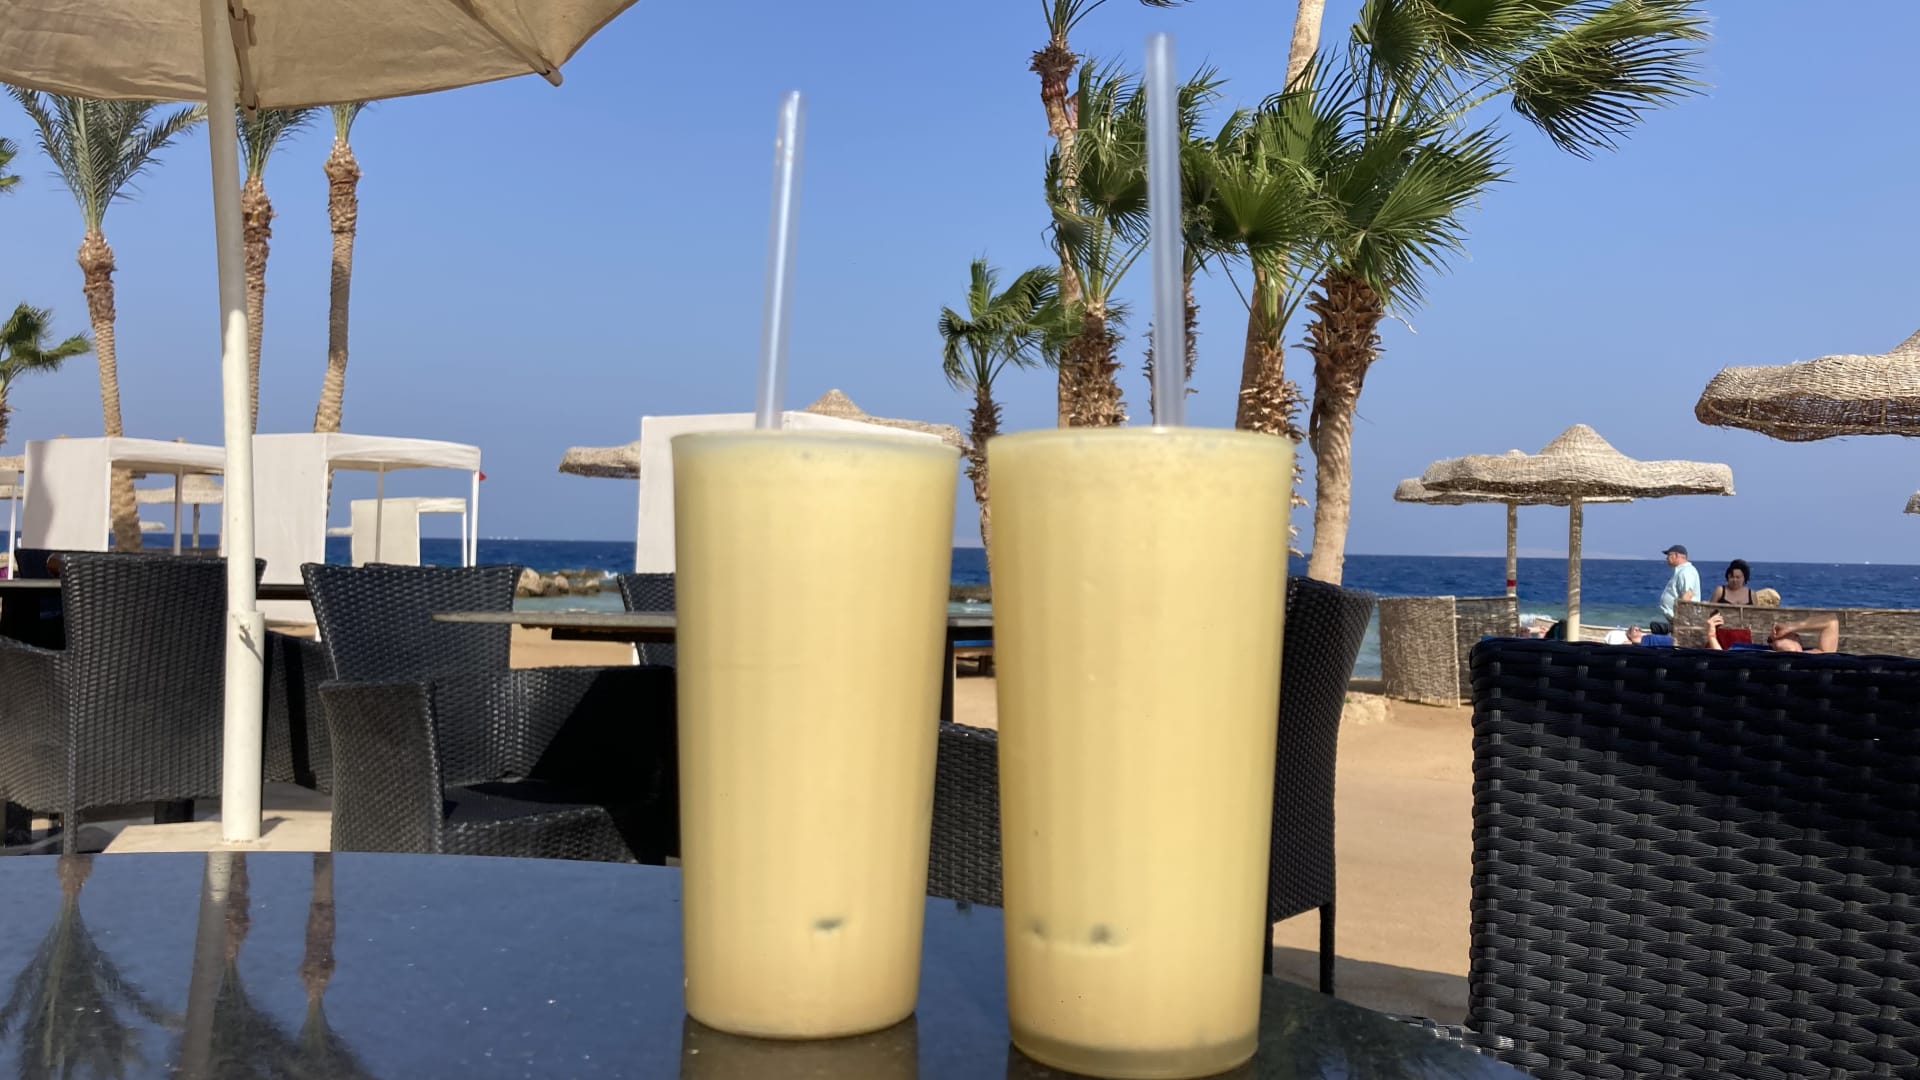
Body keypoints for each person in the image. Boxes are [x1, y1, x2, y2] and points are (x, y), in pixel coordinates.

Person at [1706, 612, 1839, 653]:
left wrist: (1791, 626)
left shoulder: (1815, 655)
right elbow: (1723, 660)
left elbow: (1831, 621)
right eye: (1771, 639)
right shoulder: (1761, 656)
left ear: (1797, 637)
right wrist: (1711, 634)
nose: (1776, 635)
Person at [1652, 544, 1699, 635]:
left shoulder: (1686, 571)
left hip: (1682, 622)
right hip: (1677, 621)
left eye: (1669, 555)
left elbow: (1687, 595)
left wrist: (1680, 620)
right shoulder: (1681, 571)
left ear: (1677, 555)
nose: (1666, 558)